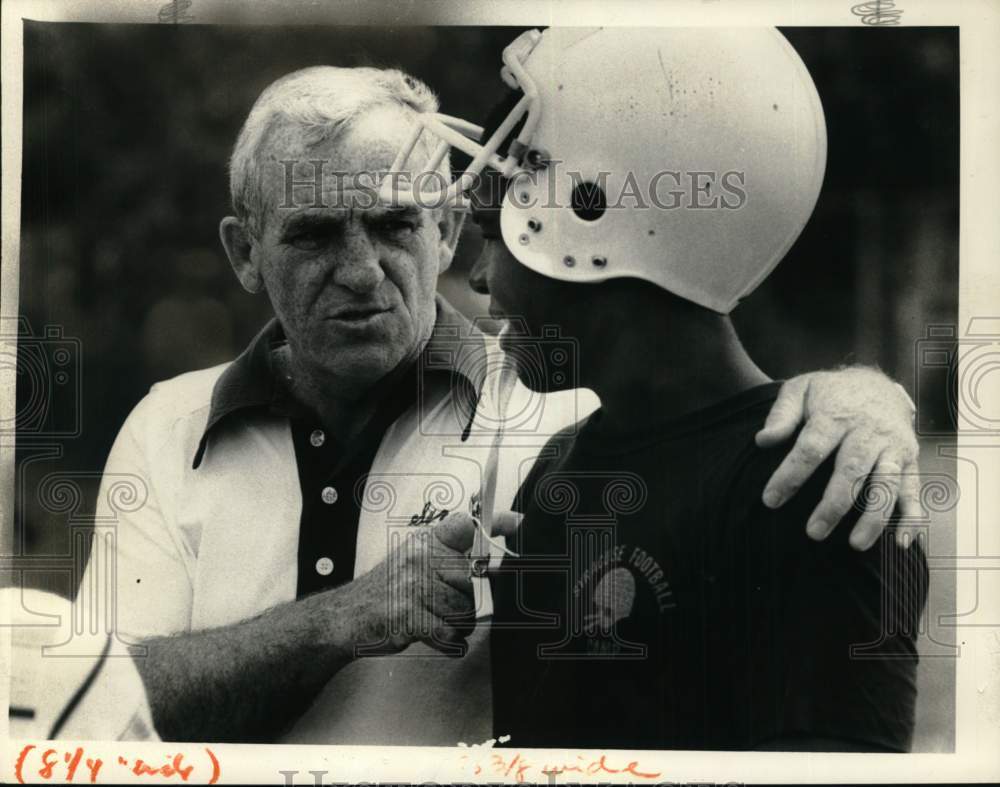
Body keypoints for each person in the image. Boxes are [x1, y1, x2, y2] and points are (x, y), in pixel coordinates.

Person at [75, 56, 920, 744]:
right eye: (314, 233)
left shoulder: (560, 411)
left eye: (397, 225)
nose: (363, 272)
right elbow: (86, 710)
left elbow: (703, 406)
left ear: (446, 230)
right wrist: (344, 618)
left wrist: (865, 398)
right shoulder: (166, 426)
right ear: (243, 252)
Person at [402, 27, 928, 750]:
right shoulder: (559, 468)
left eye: (496, 231)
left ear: (595, 211)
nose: (483, 277)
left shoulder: (813, 486)